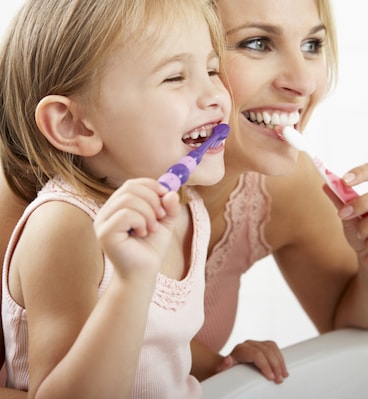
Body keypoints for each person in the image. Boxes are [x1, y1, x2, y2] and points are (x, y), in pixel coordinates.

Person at [0, 0, 237, 397]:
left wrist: (223, 364)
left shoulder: (186, 206)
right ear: (73, 124)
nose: (216, 94)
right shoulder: (66, 228)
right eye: (175, 77)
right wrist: (131, 282)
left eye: (212, 69)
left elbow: (155, 345)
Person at [190, 0, 368, 383]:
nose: (303, 84)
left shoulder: (280, 187)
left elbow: (351, 329)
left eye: (312, 45)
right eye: (256, 43)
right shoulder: (82, 202)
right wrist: (216, 368)